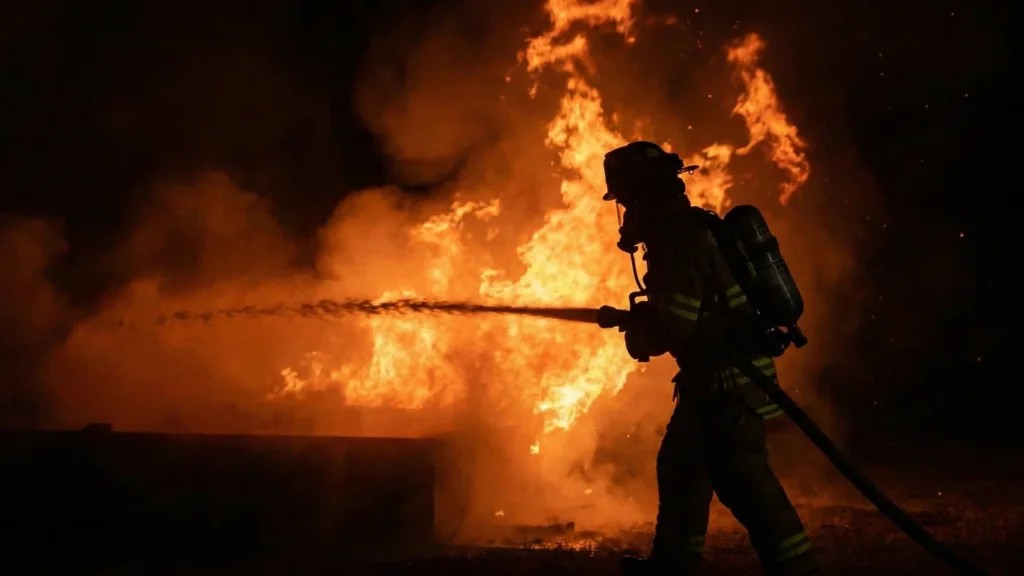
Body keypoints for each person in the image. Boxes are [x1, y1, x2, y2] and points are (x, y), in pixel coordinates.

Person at [603, 141, 821, 576]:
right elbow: (694, 309)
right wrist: (642, 316)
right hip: (709, 383)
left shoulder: (676, 242)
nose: (625, 211)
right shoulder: (689, 230)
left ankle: (800, 572)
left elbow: (675, 326)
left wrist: (639, 335)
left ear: (642, 195)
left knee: (748, 486)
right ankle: (672, 566)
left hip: (729, 385)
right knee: (681, 469)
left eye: (625, 199)